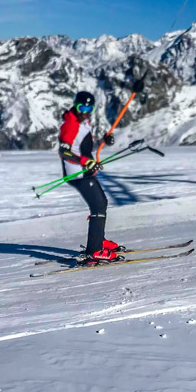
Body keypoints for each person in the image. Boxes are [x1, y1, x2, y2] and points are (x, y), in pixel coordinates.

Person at [58, 91, 121, 263]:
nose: (85, 111)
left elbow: (82, 146)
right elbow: (64, 151)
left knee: (101, 203)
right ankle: (94, 251)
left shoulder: (82, 122)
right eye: (82, 107)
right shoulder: (71, 124)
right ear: (76, 105)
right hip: (77, 173)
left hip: (84, 171)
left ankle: (98, 241)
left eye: (89, 108)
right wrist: (85, 161)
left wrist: (103, 142)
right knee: (98, 204)